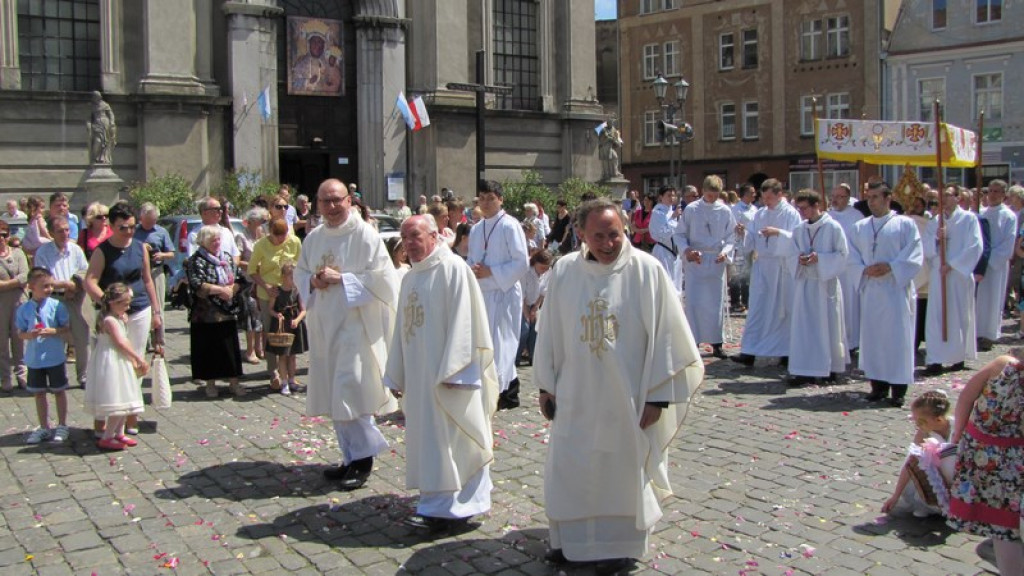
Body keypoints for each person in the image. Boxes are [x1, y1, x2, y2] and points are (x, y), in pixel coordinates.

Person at [534, 198, 704, 570]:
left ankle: (619, 546)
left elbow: (667, 337)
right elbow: (548, 331)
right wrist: (546, 385)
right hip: (576, 394)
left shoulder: (646, 270)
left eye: (615, 234)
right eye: (599, 236)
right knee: (571, 467)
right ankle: (571, 541)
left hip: (627, 396)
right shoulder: (564, 271)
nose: (609, 243)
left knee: (620, 471)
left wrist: (658, 398)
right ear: (580, 234)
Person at [384, 215, 498, 533]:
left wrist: (457, 370)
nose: (408, 244)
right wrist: (398, 373)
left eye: (415, 236)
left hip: (451, 376)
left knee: (455, 439)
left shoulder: (453, 270)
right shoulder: (410, 277)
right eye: (404, 239)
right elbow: (402, 330)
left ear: (434, 236)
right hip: (421, 378)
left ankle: (462, 507)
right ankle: (434, 504)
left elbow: (466, 322)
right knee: (430, 441)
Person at [295, 178, 399, 490]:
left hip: (356, 327)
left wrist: (343, 279)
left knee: (350, 390)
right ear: (317, 203)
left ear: (349, 200)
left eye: (337, 200)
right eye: (325, 201)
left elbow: (385, 281)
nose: (331, 206)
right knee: (335, 394)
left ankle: (363, 460)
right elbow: (300, 272)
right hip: (325, 325)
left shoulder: (365, 235)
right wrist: (313, 281)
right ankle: (350, 457)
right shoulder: (314, 237)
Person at [84, 202, 162, 434]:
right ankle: (104, 418)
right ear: (112, 225)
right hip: (113, 315)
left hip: (139, 309)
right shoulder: (102, 250)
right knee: (112, 365)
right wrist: (109, 306)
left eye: (131, 227)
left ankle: (131, 415)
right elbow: (90, 281)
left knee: (136, 362)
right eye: (122, 228)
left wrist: (157, 311)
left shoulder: (140, 247)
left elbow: (147, 280)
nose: (128, 232)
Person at [947, 353, 1024, 576]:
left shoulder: (1001, 364)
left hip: (982, 453)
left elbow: (965, 397)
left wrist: (957, 435)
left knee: (1004, 528)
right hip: (1015, 460)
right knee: (1009, 525)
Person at [847, 181, 923, 407]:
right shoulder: (860, 227)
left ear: (888, 198)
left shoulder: (904, 224)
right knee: (873, 338)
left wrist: (892, 267)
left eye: (876, 197)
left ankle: (898, 388)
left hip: (895, 290)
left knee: (896, 338)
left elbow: (914, 252)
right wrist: (863, 269)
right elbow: (851, 256)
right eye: (868, 197)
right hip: (871, 289)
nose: (871, 202)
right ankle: (877, 385)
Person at [467, 180, 530, 410]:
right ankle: (490, 388)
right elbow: (472, 258)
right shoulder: (476, 228)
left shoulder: (509, 225)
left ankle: (507, 392)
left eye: (490, 198)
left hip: (503, 294)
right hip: (484, 292)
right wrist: (473, 269)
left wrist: (491, 272)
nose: (485, 203)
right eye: (481, 198)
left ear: (500, 199)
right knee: (485, 342)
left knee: (503, 343)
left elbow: (521, 261)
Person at [732, 179, 802, 367]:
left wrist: (778, 232)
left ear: (780, 195)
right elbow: (752, 239)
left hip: (781, 267)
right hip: (763, 265)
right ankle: (749, 351)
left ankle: (785, 351)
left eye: (770, 197)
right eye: (764, 198)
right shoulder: (760, 214)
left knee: (782, 310)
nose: (766, 202)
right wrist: (743, 234)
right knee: (757, 308)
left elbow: (797, 239)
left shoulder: (791, 213)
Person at [785, 189, 849, 385]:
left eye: (805, 208)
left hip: (824, 285)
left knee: (827, 326)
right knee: (804, 328)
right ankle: (803, 368)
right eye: (799, 208)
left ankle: (828, 368)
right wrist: (799, 259)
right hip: (805, 284)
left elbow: (843, 255)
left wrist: (820, 259)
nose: (802, 212)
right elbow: (790, 253)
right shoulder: (799, 229)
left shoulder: (833, 227)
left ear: (816, 206)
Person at [922, 186, 983, 376]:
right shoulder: (935, 221)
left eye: (947, 195)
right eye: (940, 196)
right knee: (936, 316)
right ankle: (935, 358)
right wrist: (936, 240)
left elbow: (975, 245)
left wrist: (953, 265)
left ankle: (958, 356)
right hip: (939, 274)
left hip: (958, 275)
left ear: (957, 198)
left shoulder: (968, 219)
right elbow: (926, 247)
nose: (943, 199)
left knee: (959, 314)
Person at [675, 175, 736, 359]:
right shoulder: (692, 209)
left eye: (715, 195)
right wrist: (687, 251)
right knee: (694, 301)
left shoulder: (725, 210)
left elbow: (731, 236)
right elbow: (679, 234)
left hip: (715, 259)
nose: (712, 199)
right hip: (697, 260)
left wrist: (725, 251)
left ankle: (716, 342)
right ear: (703, 191)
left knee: (715, 302)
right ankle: (694, 340)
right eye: (709, 195)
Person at [185, 225, 247, 398]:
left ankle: (234, 383)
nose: (217, 243)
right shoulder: (196, 260)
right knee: (209, 348)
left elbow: (240, 279)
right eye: (213, 240)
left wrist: (231, 291)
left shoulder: (226, 257)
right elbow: (197, 284)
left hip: (227, 310)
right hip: (206, 313)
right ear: (203, 242)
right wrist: (220, 290)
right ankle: (210, 384)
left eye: (219, 239)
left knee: (229, 347)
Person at [84, 283, 147, 451]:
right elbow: (120, 341)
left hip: (119, 359)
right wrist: (136, 357)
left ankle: (119, 432)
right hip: (112, 359)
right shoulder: (110, 320)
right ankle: (107, 436)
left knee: (125, 396)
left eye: (128, 303)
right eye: (124, 304)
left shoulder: (118, 317)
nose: (128, 307)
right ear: (112, 303)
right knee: (118, 399)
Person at [34, 216, 90, 388]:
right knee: (54, 338)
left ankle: (84, 376)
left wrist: (74, 285)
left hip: (76, 298)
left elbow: (85, 271)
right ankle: (56, 377)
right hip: (53, 298)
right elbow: (41, 278)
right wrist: (65, 284)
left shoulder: (76, 250)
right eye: (60, 231)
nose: (65, 233)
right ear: (51, 233)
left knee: (82, 338)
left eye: (67, 230)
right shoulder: (43, 252)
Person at [16, 268, 71, 444]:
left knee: (59, 391)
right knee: (38, 393)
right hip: (35, 358)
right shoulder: (24, 309)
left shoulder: (57, 305)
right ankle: (44, 426)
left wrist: (54, 330)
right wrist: (29, 335)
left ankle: (62, 424)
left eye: (50, 286)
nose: (48, 289)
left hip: (54, 356)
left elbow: (66, 328)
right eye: (44, 286)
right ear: (31, 286)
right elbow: (20, 332)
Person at [881, 390, 954, 517]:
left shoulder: (958, 427)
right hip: (938, 473)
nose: (917, 425)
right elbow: (911, 462)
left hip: (958, 471)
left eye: (920, 421)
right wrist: (895, 496)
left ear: (939, 419)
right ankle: (931, 502)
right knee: (920, 463)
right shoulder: (924, 432)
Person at [249, 218, 302, 388]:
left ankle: (290, 373)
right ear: (270, 231)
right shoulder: (260, 245)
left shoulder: (294, 242)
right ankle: (274, 372)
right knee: (271, 331)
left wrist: (297, 288)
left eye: (283, 235)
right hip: (268, 294)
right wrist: (265, 285)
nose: (280, 239)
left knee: (290, 331)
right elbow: (251, 270)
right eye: (277, 235)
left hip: (290, 294)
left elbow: (301, 267)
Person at [976, 180, 1016, 349]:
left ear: (1003, 194)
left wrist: (990, 258)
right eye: (990, 190)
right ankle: (976, 332)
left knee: (993, 298)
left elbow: (1008, 243)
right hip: (979, 262)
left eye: (996, 191)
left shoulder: (1009, 216)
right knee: (978, 300)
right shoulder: (981, 213)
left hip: (995, 265)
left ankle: (990, 334)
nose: (992, 194)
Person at [828, 183, 864, 354]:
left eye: (839, 196)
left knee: (849, 305)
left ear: (848, 198)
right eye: (833, 196)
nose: (835, 200)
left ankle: (851, 340)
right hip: (832, 267)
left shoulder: (856, 217)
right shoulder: (827, 216)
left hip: (849, 269)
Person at [133, 203, 174, 344]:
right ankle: (145, 341)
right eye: (148, 221)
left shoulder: (161, 232)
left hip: (156, 270)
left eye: (154, 220)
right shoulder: (134, 231)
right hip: (137, 271)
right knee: (142, 306)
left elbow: (171, 253)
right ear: (141, 218)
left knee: (158, 306)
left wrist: (162, 255)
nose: (151, 223)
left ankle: (158, 340)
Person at [266, 262, 307, 395]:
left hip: (294, 325)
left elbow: (303, 310)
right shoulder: (276, 291)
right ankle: (284, 382)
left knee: (293, 356)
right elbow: (270, 309)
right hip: (282, 326)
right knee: (283, 356)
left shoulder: (297, 291)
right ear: (283, 276)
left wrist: (297, 320)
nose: (294, 280)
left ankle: (292, 380)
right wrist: (276, 315)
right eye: (291, 277)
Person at [236, 207, 268, 364]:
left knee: (261, 315)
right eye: (261, 221)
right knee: (251, 315)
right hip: (248, 281)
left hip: (263, 281)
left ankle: (260, 347)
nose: (263, 223)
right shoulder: (241, 237)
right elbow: (237, 260)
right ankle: (250, 350)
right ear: (253, 221)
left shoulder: (263, 235)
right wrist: (253, 265)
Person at [0, 219, 28, 392]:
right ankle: (5, 377)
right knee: (1, 341)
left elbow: (25, 276)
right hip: (1, 304)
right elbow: (20, 280)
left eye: (4, 234)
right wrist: (16, 282)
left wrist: (5, 285)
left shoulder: (18, 253)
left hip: (20, 301)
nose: (1, 238)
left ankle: (22, 375)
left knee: (20, 339)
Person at [518, 250, 551, 366]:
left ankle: (533, 358)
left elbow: (543, 292)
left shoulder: (548, 272)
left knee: (536, 330)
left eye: (546, 268)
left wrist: (535, 309)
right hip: (522, 303)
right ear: (535, 263)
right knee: (524, 329)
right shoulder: (526, 271)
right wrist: (526, 313)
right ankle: (516, 358)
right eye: (542, 267)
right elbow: (522, 295)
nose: (544, 270)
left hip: (535, 303)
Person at [728, 184, 758, 313]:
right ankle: (735, 301)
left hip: (750, 245)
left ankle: (747, 300)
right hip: (738, 245)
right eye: (751, 192)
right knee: (736, 274)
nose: (754, 195)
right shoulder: (736, 209)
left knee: (748, 274)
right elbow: (731, 226)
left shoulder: (755, 209)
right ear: (744, 194)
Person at [187, 197, 239, 265]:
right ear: (204, 212)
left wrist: (230, 269)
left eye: (221, 209)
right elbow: (193, 261)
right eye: (216, 209)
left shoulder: (226, 232)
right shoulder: (195, 235)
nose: (221, 211)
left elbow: (236, 255)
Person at [649, 186, 680, 287]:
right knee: (664, 283)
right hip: (663, 250)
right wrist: (673, 219)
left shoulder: (674, 212)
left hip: (675, 252)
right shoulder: (657, 213)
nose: (672, 198)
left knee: (676, 283)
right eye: (669, 195)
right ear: (661, 197)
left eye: (673, 195)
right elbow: (661, 234)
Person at [88, 91, 116, 164]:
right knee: (98, 141)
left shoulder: (105, 105)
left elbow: (111, 114)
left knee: (105, 142)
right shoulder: (92, 106)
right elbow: (89, 118)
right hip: (96, 124)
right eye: (93, 97)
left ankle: (103, 158)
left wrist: (112, 122)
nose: (94, 99)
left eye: (96, 97)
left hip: (105, 123)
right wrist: (88, 125)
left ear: (99, 97)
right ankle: (95, 157)